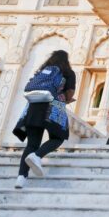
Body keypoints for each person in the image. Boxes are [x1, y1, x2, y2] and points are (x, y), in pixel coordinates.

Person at [12, 50, 75, 189]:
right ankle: (37, 155)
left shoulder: (43, 70)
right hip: (53, 107)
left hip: (34, 106)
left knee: (31, 144)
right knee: (59, 137)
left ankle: (21, 178)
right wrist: (67, 98)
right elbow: (69, 94)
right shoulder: (68, 72)